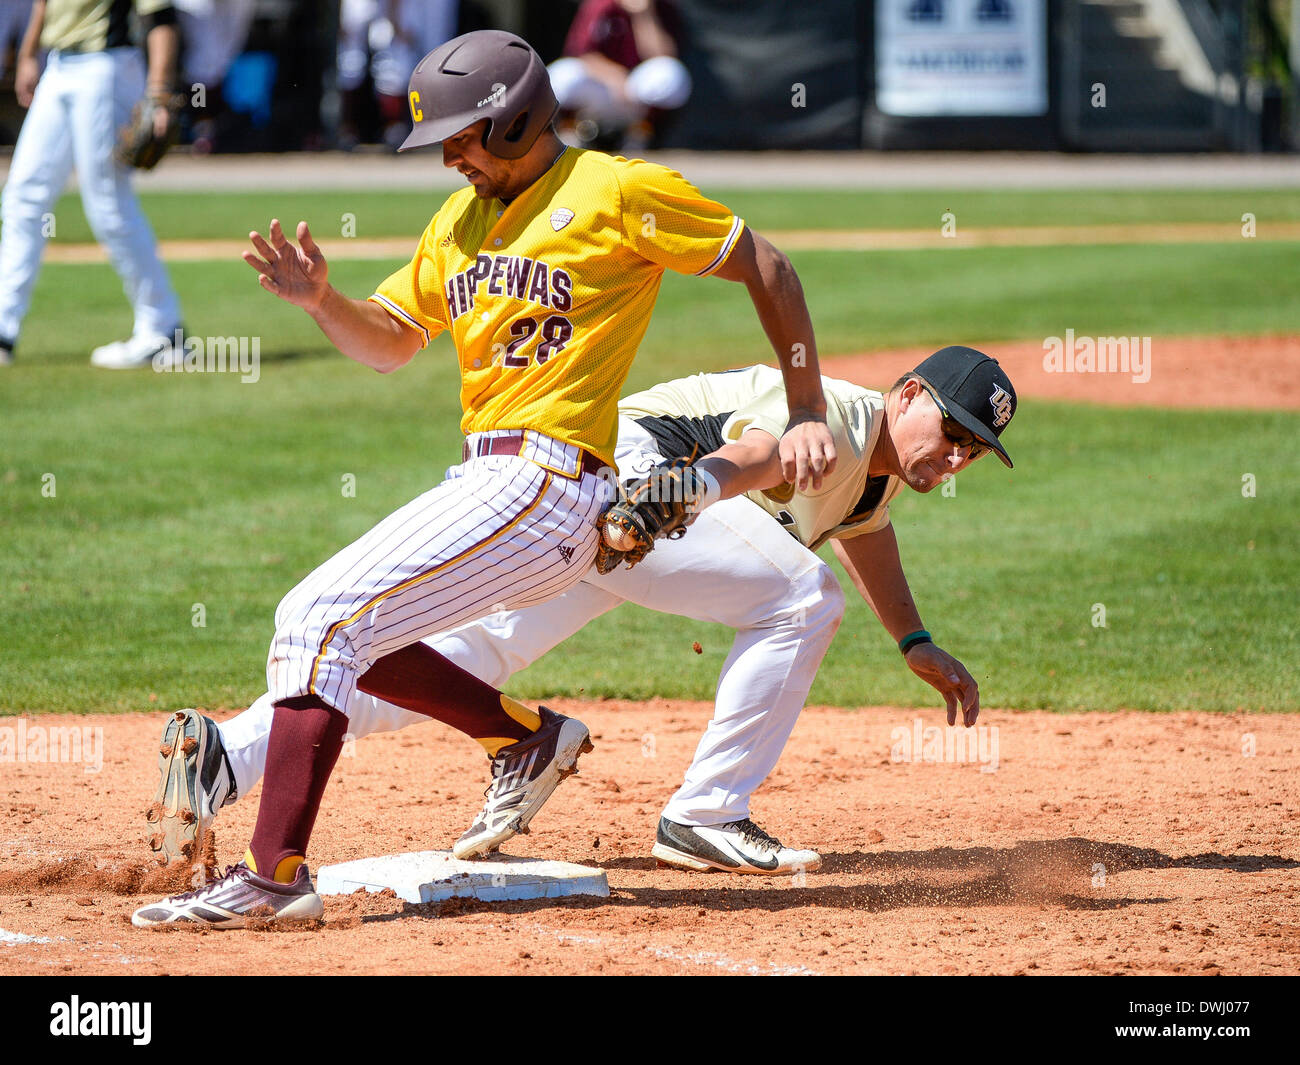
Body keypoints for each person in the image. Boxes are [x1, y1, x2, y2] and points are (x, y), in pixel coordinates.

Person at [131, 29, 836, 929]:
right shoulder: (458, 225)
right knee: (364, 639)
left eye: (462, 138)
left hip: (552, 482)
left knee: (315, 617)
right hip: (493, 479)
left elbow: (766, 264)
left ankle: (275, 877)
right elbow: (390, 342)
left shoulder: (617, 190)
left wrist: (808, 406)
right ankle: (520, 737)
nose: (450, 159)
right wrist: (323, 303)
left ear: (514, 121)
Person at [141, 348, 1016, 887]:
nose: (957, 456)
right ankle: (707, 814)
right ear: (907, 395)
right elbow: (757, 449)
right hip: (631, 485)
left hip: (616, 517)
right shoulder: (838, 412)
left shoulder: (879, 468)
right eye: (953, 430)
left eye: (974, 448)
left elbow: (867, 532)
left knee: (461, 658)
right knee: (803, 597)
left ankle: (231, 755)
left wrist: (916, 640)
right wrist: (678, 497)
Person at [0, 0, 184, 369]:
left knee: (108, 203)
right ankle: (3, 328)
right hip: (59, 64)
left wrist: (159, 93)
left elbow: (161, 17)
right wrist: (29, 52)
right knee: (23, 198)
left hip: (107, 65)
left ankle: (163, 330)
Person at [549, 0, 690, 149]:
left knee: (671, 73)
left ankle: (641, 132)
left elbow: (663, 56)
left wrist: (643, 15)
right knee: (563, 73)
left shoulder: (662, 6)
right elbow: (581, 53)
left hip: (635, 94)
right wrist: (615, 77)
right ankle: (570, 129)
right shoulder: (599, 4)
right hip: (602, 89)